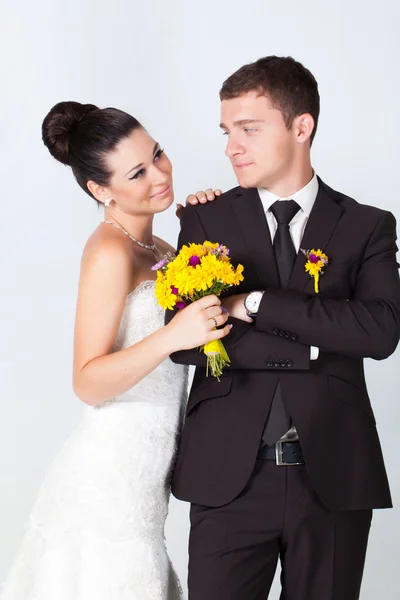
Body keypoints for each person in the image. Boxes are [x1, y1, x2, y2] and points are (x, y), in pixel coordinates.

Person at [167, 56, 400, 600]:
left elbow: (380, 332)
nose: (231, 147)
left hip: (335, 477)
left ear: (302, 127)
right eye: (227, 131)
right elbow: (185, 345)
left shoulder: (367, 225)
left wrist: (253, 302)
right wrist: (317, 343)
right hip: (228, 478)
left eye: (248, 128)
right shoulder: (204, 219)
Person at [0, 101, 228, 600]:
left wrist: (212, 225)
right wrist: (172, 336)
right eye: (138, 172)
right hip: (114, 473)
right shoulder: (109, 251)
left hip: (154, 471)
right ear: (100, 190)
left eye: (159, 154)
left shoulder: (164, 249)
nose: (160, 175)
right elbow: (87, 380)